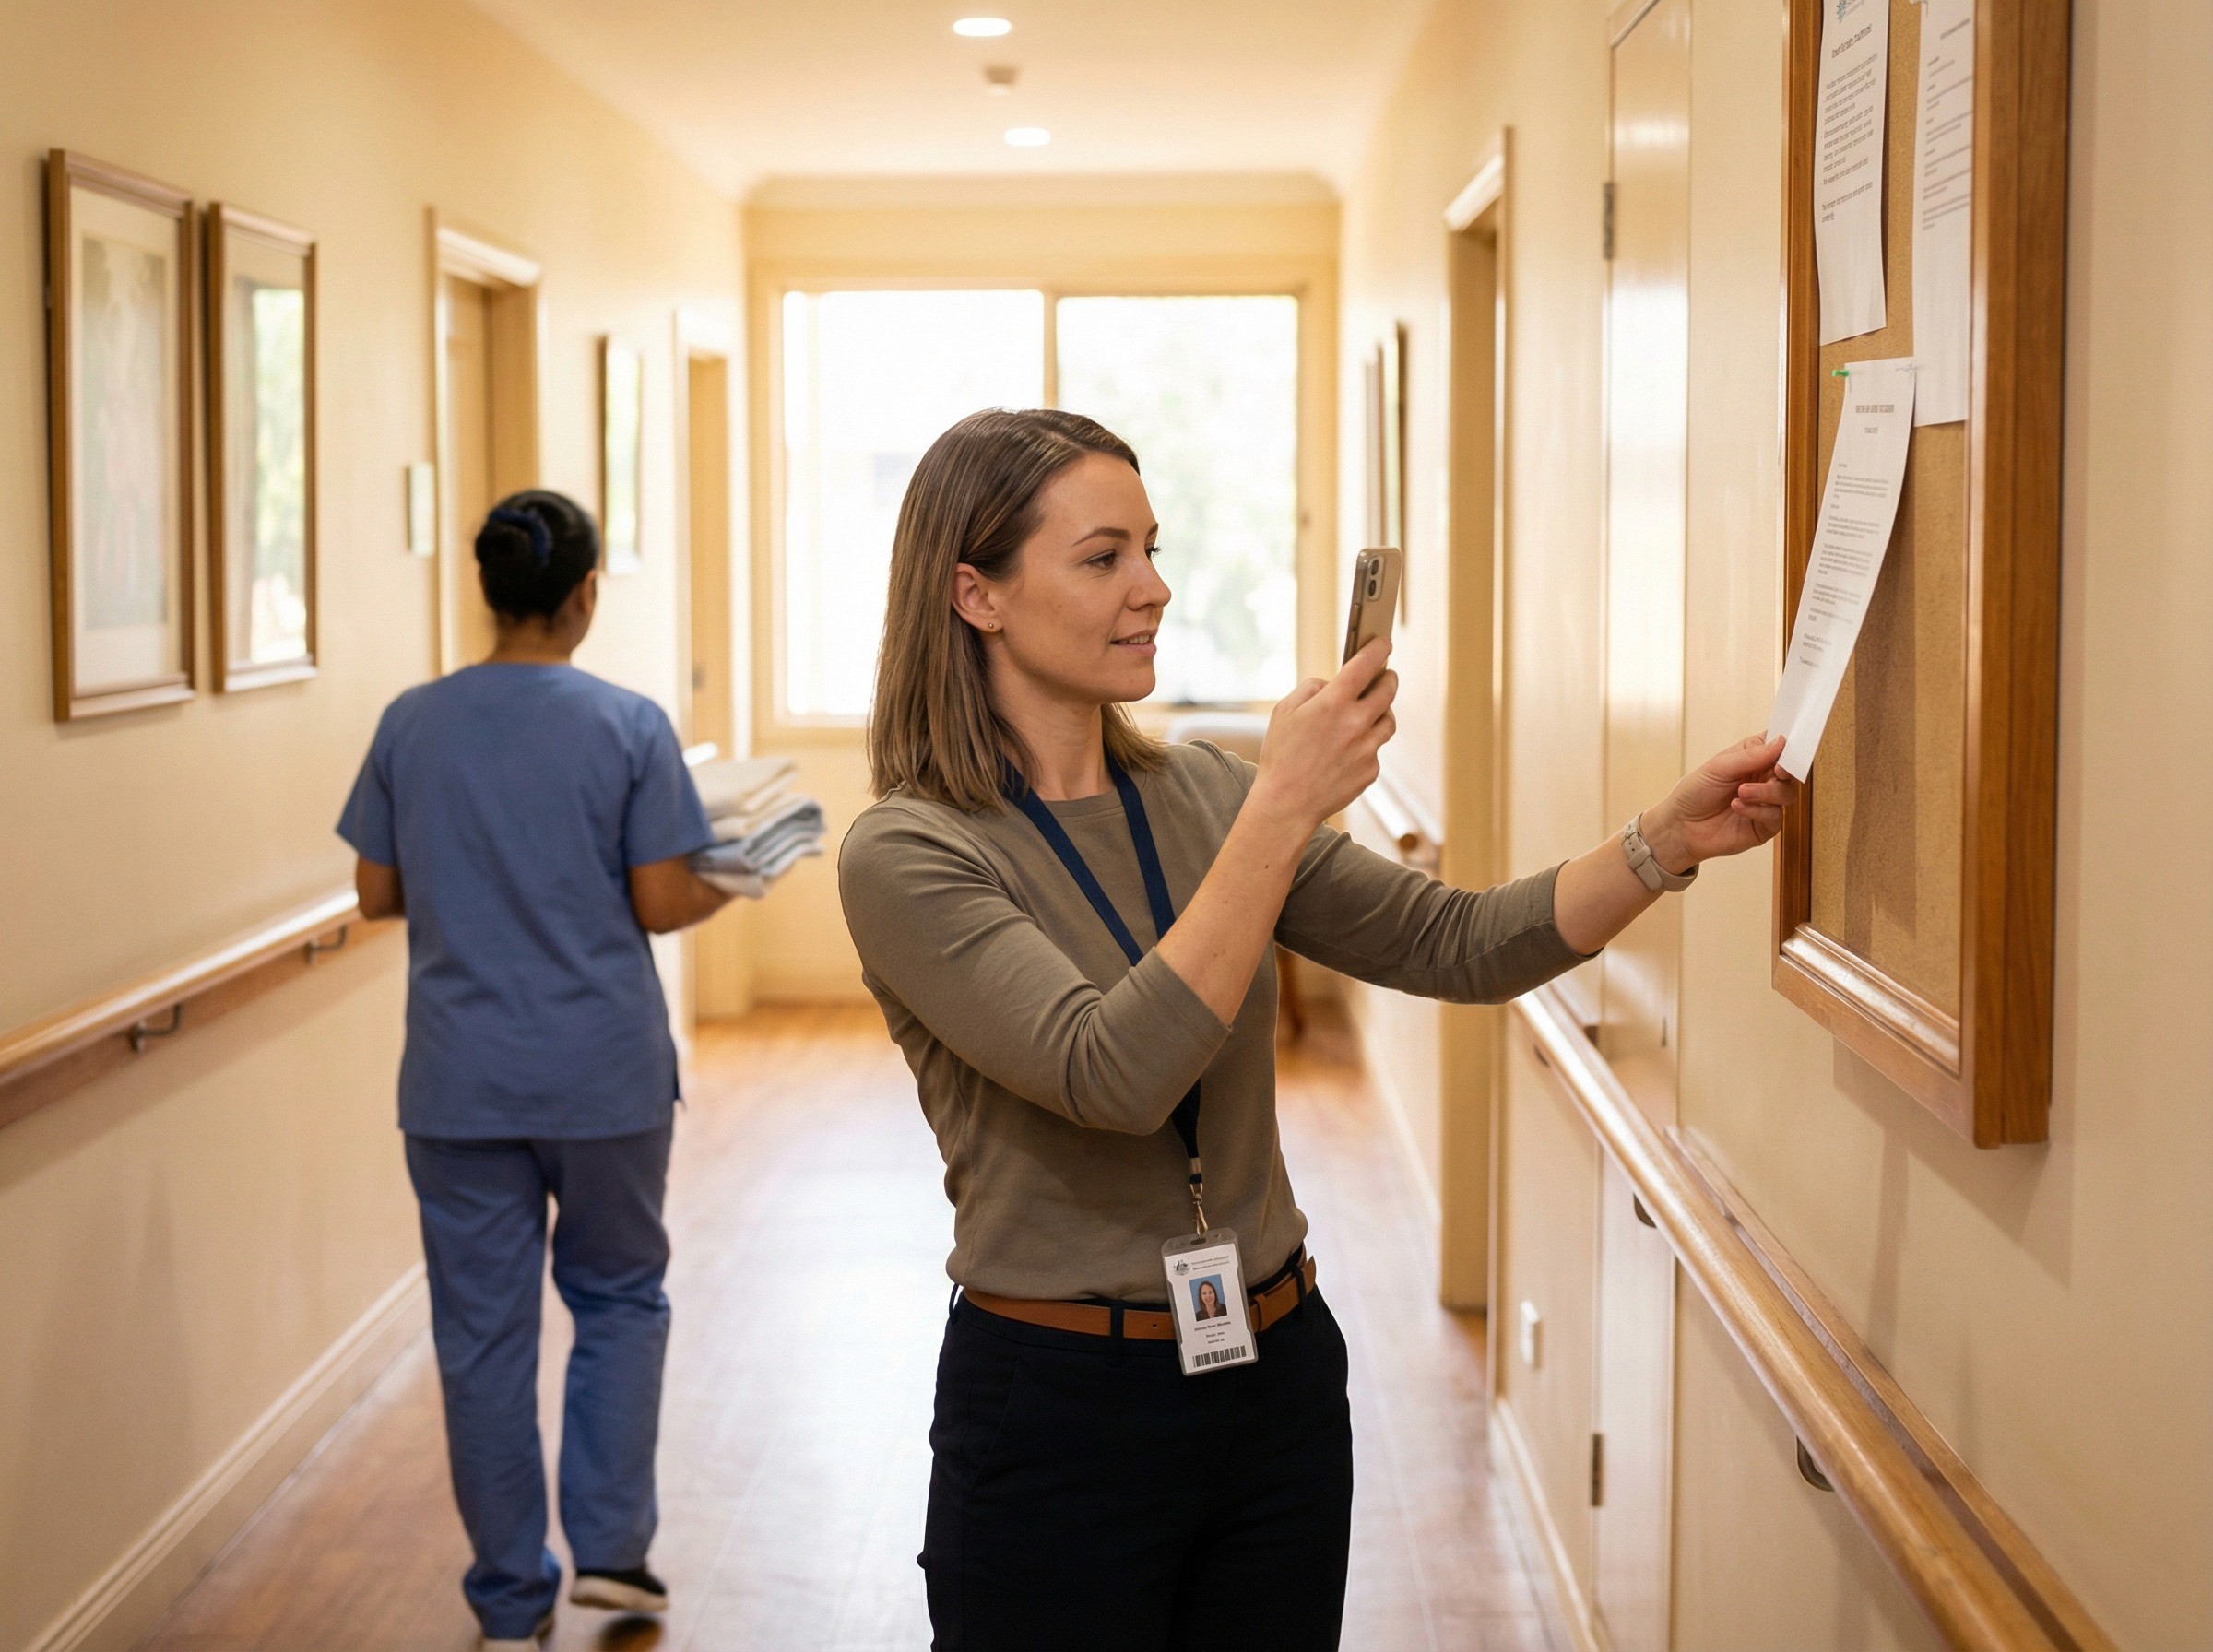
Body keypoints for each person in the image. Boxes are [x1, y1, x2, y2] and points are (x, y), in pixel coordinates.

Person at [836, 408, 1796, 1652]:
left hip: (1273, 1381)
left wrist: (1660, 844)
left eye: (1154, 548)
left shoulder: (1203, 795)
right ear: (977, 594)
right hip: (1060, 1409)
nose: (1156, 588)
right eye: (1104, 557)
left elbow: (1464, 944)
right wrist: (1283, 807)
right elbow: (1111, 1071)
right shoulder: (910, 851)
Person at [337, 490, 732, 1651]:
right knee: (617, 1297)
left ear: (491, 591)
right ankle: (612, 1554)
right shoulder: (627, 722)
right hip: (603, 1075)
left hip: (460, 1085)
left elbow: (374, 892)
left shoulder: (414, 721)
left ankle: (511, 1598)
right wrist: (735, 874)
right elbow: (663, 898)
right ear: (586, 595)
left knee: (482, 1337)